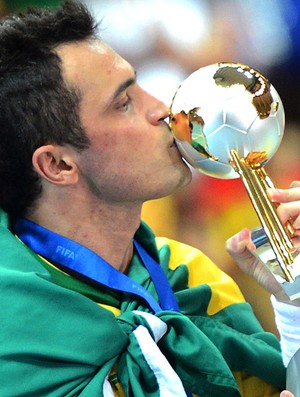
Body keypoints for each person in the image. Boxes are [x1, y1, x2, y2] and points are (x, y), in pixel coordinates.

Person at [0, 1, 296, 396]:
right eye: (124, 103)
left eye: (140, 85)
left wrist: (293, 303)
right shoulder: (11, 323)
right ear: (57, 164)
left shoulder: (191, 276)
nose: (162, 109)